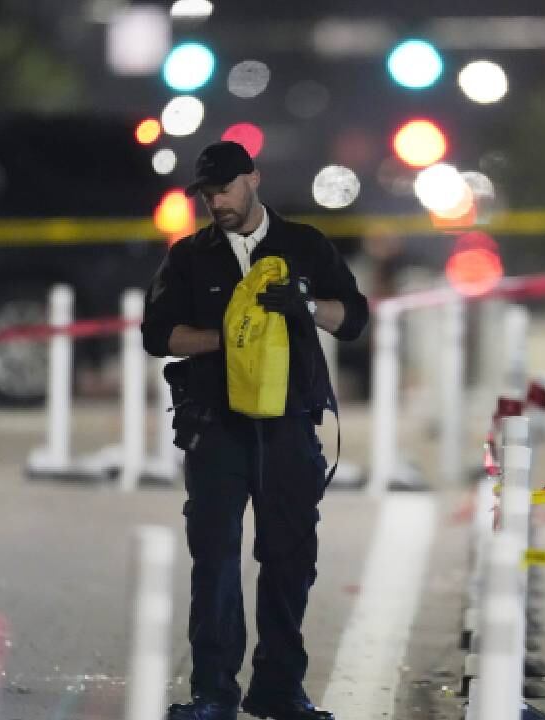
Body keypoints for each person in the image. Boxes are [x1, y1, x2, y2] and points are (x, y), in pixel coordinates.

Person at [141, 140, 369, 720]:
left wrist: (306, 305)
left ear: (253, 179)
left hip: (289, 427)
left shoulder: (304, 245)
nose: (217, 202)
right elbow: (157, 335)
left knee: (289, 557)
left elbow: (354, 318)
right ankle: (213, 692)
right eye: (208, 193)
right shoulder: (189, 257)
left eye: (225, 188)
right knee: (215, 557)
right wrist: (230, 335)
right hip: (216, 427)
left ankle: (278, 688)